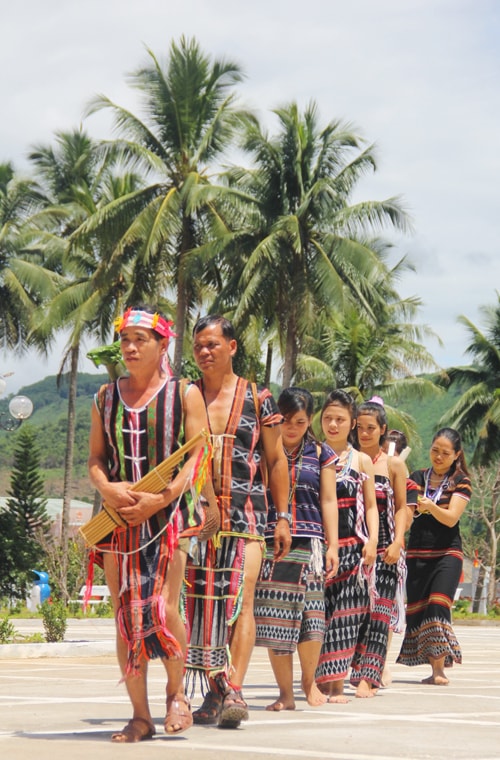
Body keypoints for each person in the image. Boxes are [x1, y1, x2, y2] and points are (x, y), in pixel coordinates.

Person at [88, 304, 210, 742]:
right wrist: (109, 491)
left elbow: (196, 456)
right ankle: (139, 716)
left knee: (163, 608)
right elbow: (96, 462)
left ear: (163, 345)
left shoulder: (185, 395)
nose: (131, 346)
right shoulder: (104, 398)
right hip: (119, 520)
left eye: (141, 339)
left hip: (168, 519)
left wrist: (161, 497)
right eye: (125, 338)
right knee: (124, 614)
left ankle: (176, 694)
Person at [184, 315, 291, 728]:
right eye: (198, 346)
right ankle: (215, 690)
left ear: (231, 347)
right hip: (197, 520)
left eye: (212, 344)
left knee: (240, 602)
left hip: (248, 515)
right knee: (202, 609)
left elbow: (276, 459)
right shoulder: (185, 396)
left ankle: (237, 689)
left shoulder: (258, 396)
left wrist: (282, 518)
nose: (205, 352)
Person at [254, 387, 339, 711]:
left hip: (310, 542)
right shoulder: (263, 450)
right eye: (287, 420)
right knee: (276, 619)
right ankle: (285, 693)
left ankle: (308, 682)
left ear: (309, 420)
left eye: (300, 422)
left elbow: (328, 500)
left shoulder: (321, 453)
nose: (292, 428)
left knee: (312, 620)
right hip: (272, 542)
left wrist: (333, 545)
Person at [315, 390, 379, 702]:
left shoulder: (362, 460)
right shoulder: (312, 454)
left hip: (354, 547)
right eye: (328, 418)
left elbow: (370, 506)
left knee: (347, 617)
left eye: (340, 419)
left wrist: (374, 541)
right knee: (318, 615)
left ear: (352, 422)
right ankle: (315, 680)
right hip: (321, 547)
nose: (333, 424)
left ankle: (337, 684)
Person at [397, 427, 472, 685]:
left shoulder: (461, 481)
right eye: (435, 451)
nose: (438, 457)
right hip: (417, 552)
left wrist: (429, 506)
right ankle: (434, 668)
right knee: (418, 609)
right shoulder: (417, 477)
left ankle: (440, 671)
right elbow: (407, 509)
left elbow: (451, 518)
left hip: (447, 553)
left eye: (445, 453)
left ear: (456, 455)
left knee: (438, 605)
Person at [353, 397, 408, 697]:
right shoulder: (348, 459)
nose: (364, 433)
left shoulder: (394, 464)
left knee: (379, 615)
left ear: (383, 430)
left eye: (370, 428)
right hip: (354, 548)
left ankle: (369, 677)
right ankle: (353, 668)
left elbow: (402, 507)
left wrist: (398, 541)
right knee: (354, 613)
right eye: (359, 427)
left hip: (386, 548)